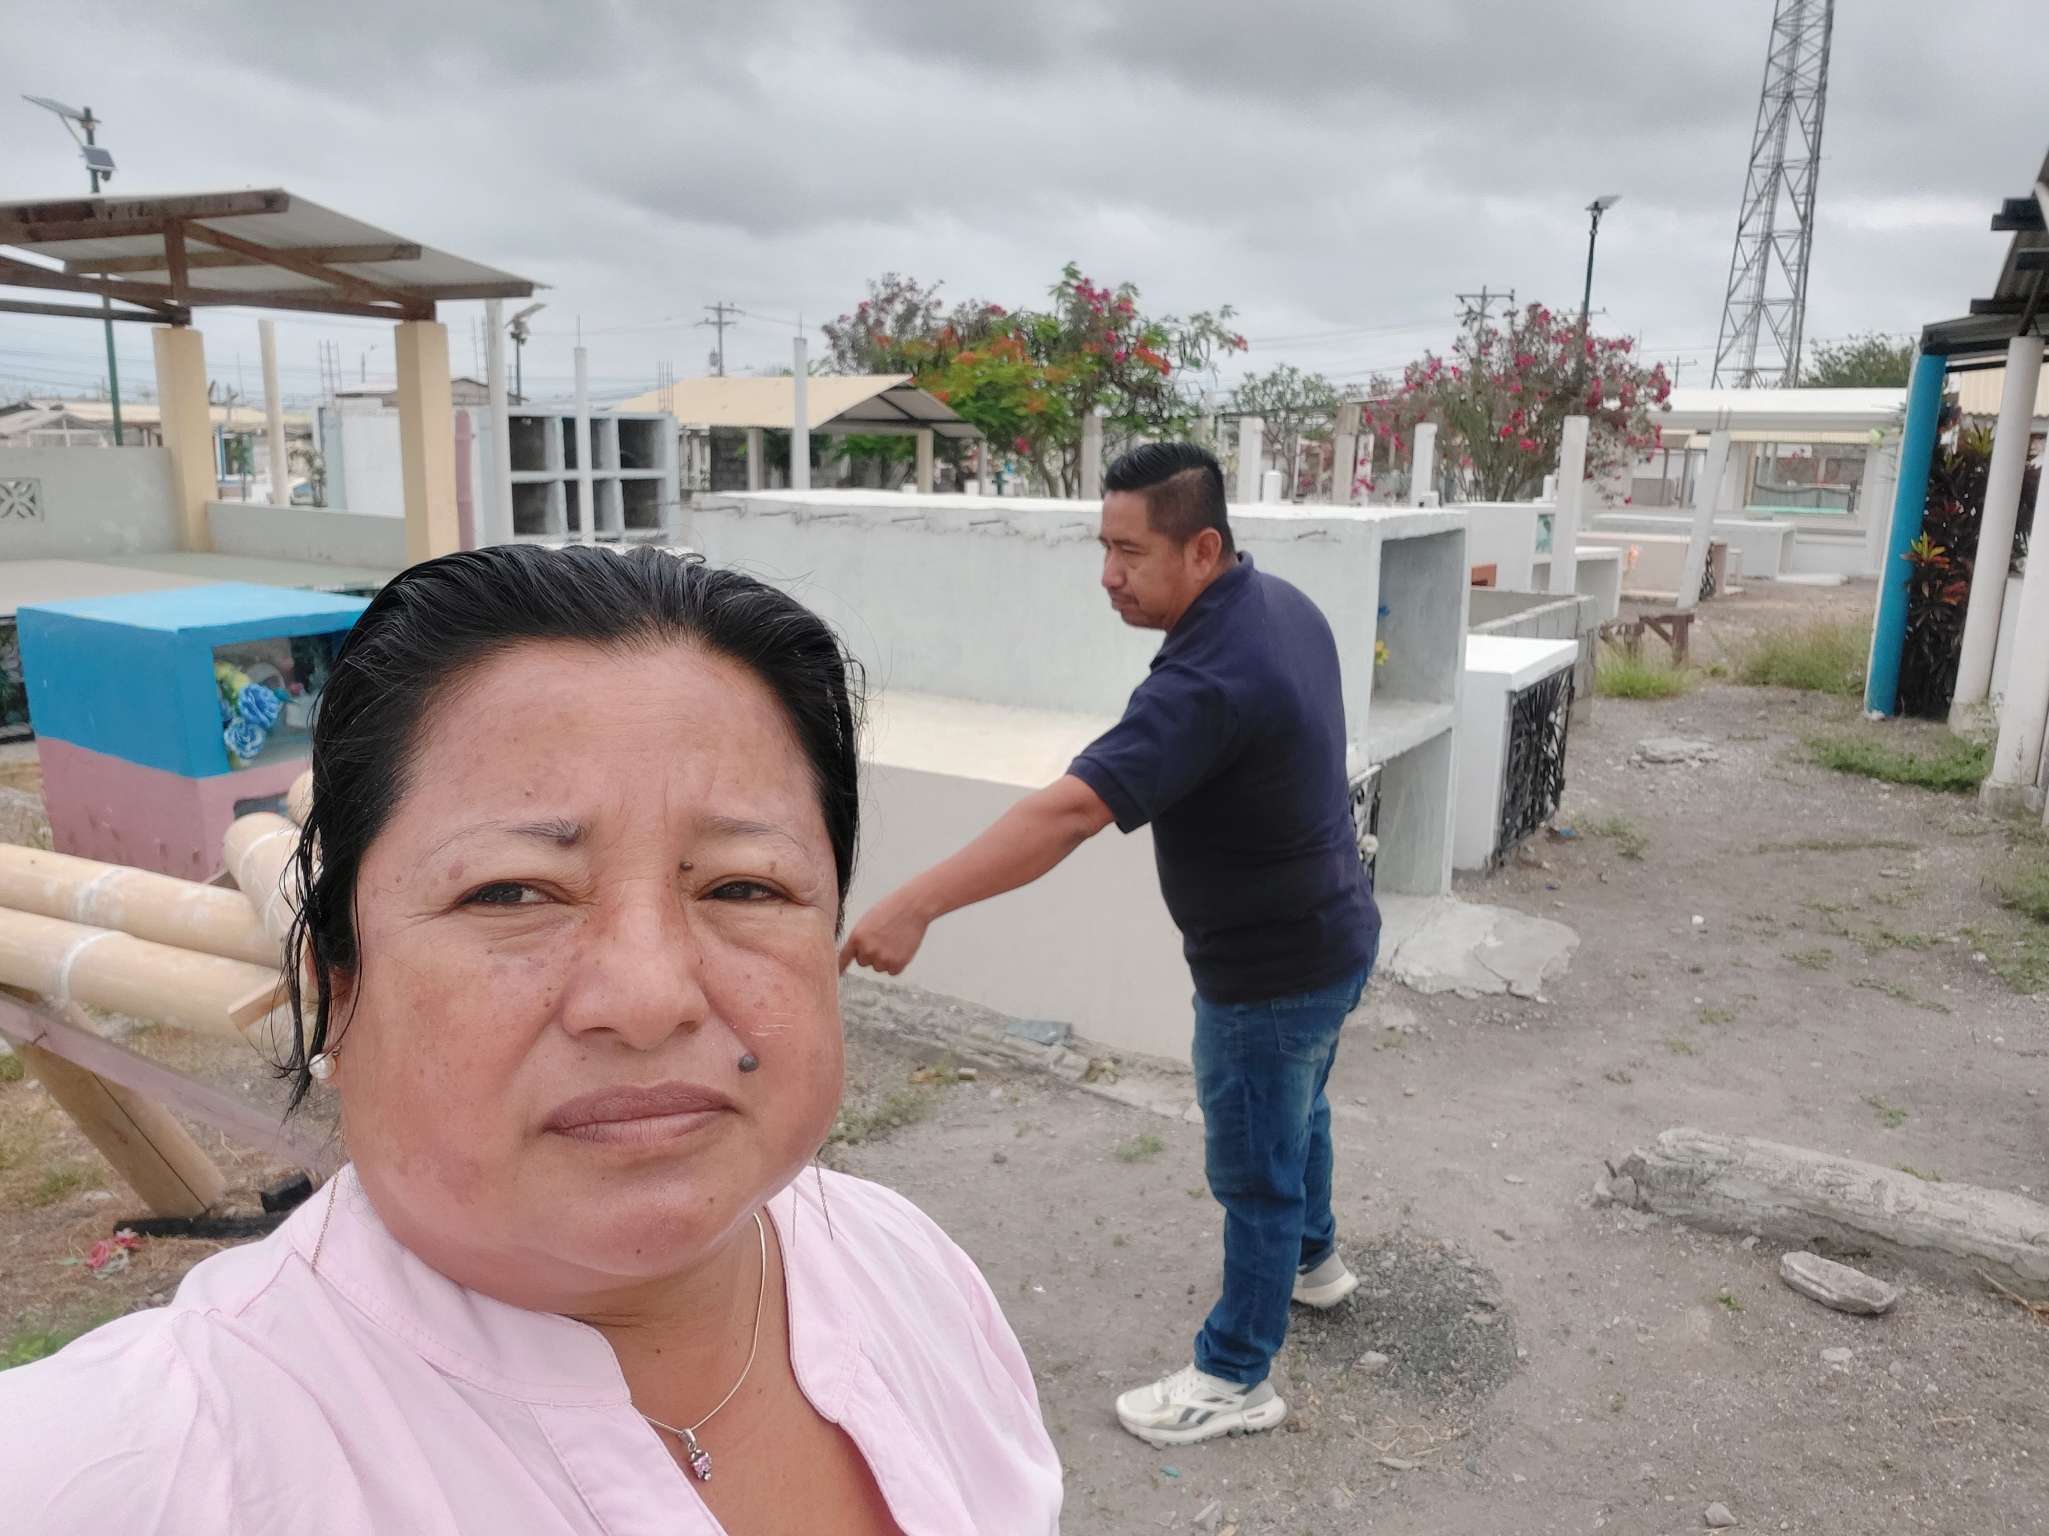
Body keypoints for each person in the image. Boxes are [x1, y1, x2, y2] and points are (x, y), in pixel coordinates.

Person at [0, 545, 1062, 1534]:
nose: (647, 999)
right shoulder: (114, 1478)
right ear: (338, 983)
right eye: (511, 892)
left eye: (745, 886)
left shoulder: (907, 1269)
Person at [842, 442, 1380, 1448]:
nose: (1108, 575)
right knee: (1297, 1113)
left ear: (1202, 550)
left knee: (1255, 1166)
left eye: (1130, 553)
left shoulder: (1207, 679)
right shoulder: (1280, 605)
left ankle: (1235, 1376)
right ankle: (1314, 1263)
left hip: (1268, 972)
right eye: (1104, 547)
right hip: (1336, 929)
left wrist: (916, 903)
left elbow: (1070, 813)